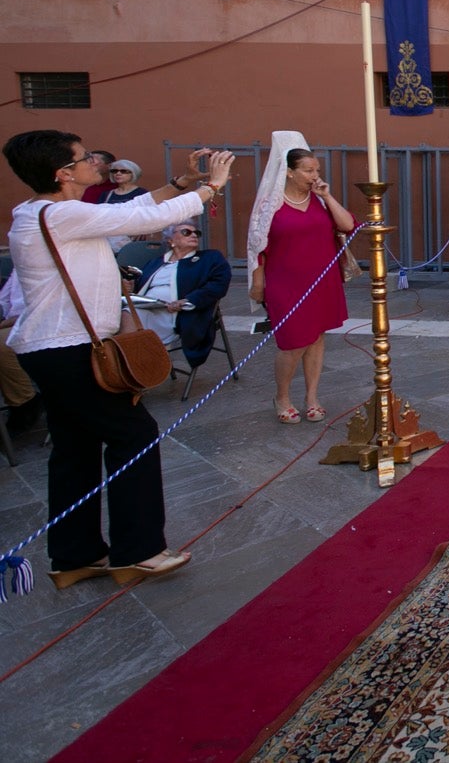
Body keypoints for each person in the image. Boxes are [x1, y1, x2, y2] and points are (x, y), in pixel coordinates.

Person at [3, 129, 233, 588]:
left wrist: (182, 181)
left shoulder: (48, 215)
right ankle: (138, 551)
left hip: (52, 350)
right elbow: (141, 213)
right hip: (67, 350)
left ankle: (75, 555)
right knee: (136, 436)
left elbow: (129, 215)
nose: (96, 163)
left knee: (75, 450)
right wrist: (212, 187)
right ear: (63, 173)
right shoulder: (60, 214)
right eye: (84, 157)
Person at [248, 133, 355, 425]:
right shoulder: (270, 205)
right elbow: (257, 247)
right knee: (293, 341)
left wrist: (327, 195)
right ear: (289, 172)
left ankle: (311, 397)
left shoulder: (319, 201)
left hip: (322, 279)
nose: (315, 175)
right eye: (308, 171)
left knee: (317, 337)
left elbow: (347, 225)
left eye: (317, 170)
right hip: (285, 282)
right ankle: (282, 396)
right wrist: (258, 284)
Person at [132, 221, 231, 368]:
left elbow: (218, 285)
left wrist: (187, 301)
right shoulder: (156, 263)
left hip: (177, 314)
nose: (193, 235)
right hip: (146, 306)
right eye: (186, 232)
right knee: (125, 315)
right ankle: (133, 371)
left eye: (196, 233)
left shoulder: (209, 258)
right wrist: (131, 286)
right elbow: (140, 286)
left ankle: (134, 373)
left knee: (131, 319)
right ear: (170, 240)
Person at [0, 268, 42, 436]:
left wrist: (9, 321)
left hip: (36, 322)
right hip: (12, 322)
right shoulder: (19, 264)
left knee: (1, 346)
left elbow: (45, 303)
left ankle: (25, 402)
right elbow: (3, 300)